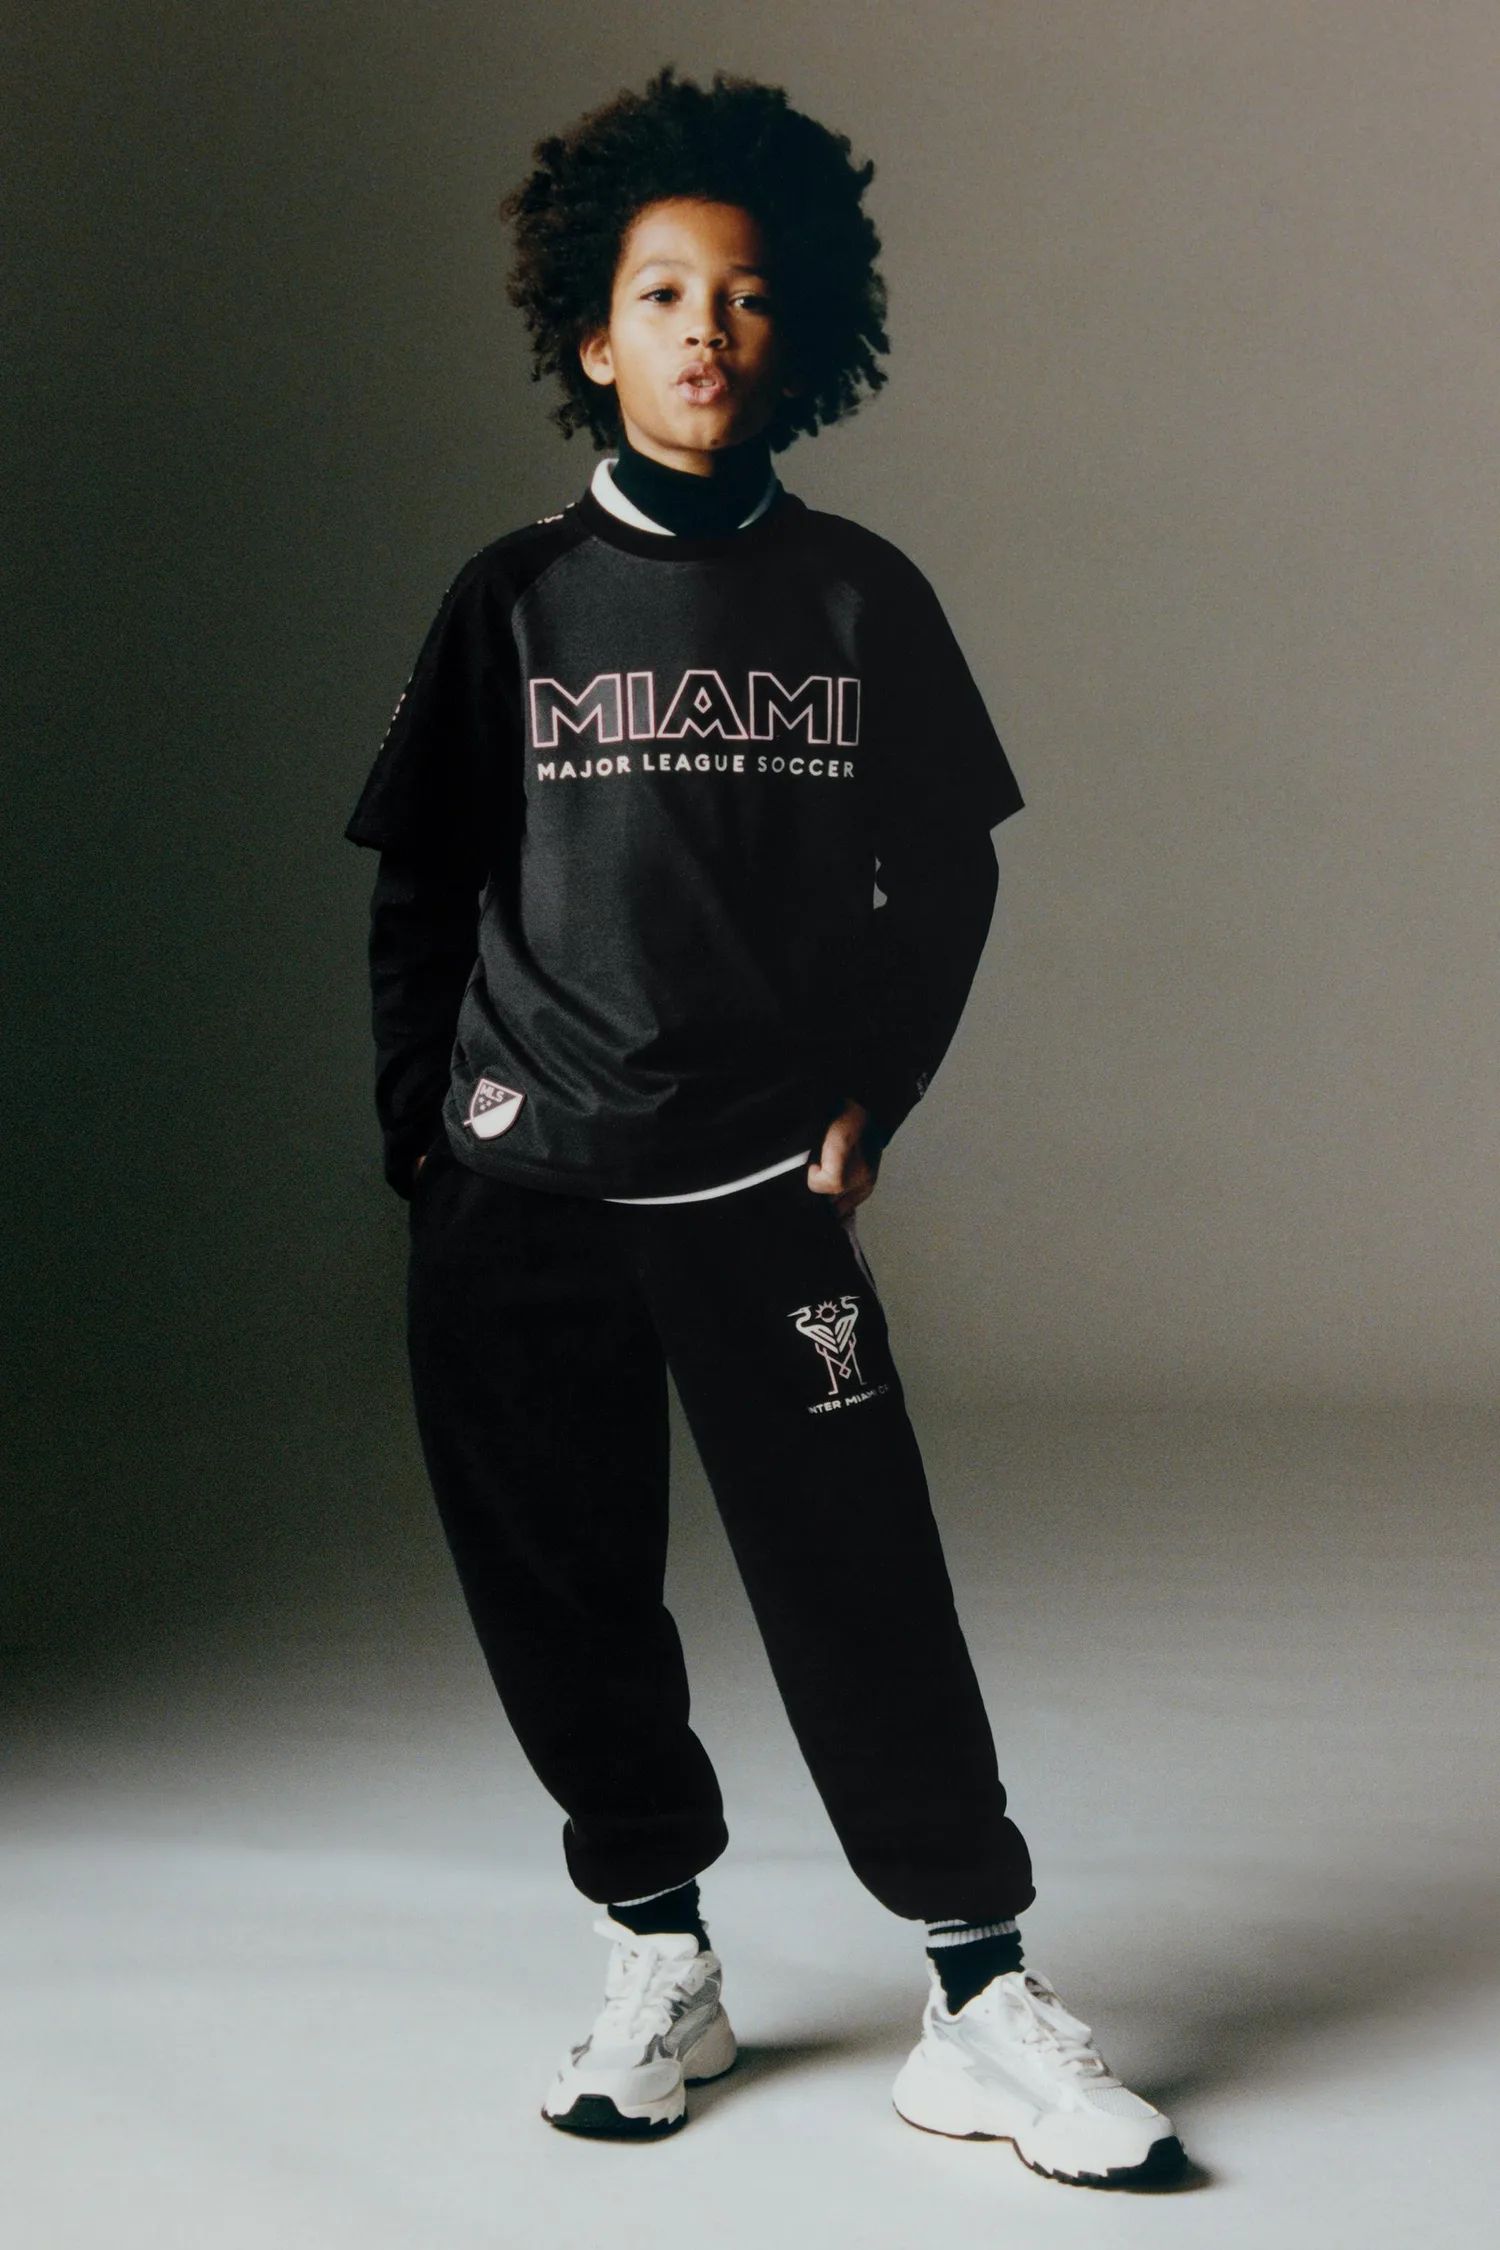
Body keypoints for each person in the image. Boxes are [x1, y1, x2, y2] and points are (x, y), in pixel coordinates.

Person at [345, 66, 1187, 2190]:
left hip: (753, 1189)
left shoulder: (861, 597)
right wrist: (423, 1141)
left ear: (795, 327)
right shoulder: (511, 598)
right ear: (592, 336)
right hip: (523, 1190)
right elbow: (422, 886)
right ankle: (661, 1958)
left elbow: (952, 876)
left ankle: (978, 1998)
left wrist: (870, 1090)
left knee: (861, 1584)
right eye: (660, 294)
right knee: (564, 1592)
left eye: (739, 295)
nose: (703, 330)